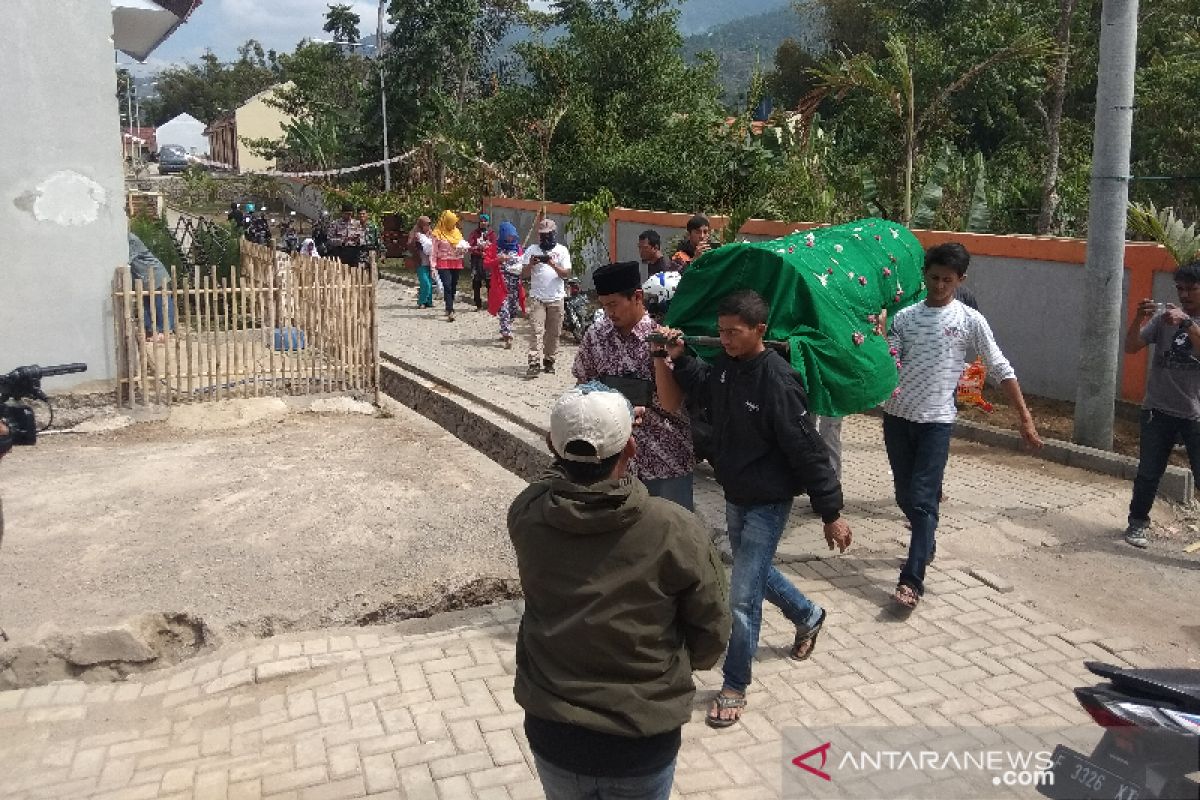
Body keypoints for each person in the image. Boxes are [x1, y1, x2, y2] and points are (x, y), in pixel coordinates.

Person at [508, 382, 730, 800]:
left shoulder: (527, 514)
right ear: (631, 449)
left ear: (551, 448)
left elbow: (548, 483)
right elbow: (712, 629)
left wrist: (575, 442)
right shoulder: (674, 528)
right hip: (642, 738)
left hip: (555, 733)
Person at [656, 289, 852, 729]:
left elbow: (807, 449)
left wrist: (831, 511)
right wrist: (681, 356)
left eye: (734, 333)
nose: (724, 339)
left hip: (769, 500)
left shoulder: (778, 381)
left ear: (760, 331)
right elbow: (705, 385)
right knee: (753, 570)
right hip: (735, 493)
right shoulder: (728, 367)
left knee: (741, 596)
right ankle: (808, 614)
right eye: (721, 331)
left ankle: (734, 685)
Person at [882, 242, 1041, 610]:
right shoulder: (904, 318)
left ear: (960, 279)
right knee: (905, 497)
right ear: (925, 276)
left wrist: (1024, 415)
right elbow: (889, 360)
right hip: (896, 417)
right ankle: (927, 539)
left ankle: (912, 581)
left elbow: (1000, 367)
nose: (939, 285)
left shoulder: (969, 321)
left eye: (947, 280)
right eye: (934, 278)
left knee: (922, 500)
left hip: (936, 422)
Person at [573, 261, 695, 510]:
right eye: (604, 305)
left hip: (665, 458)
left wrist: (658, 355)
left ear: (637, 296)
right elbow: (582, 389)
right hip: (613, 462)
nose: (609, 312)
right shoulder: (596, 337)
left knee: (669, 536)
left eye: (614, 304)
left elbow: (671, 404)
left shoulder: (663, 337)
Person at [1122, 260, 1200, 549]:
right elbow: (1131, 348)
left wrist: (1187, 322)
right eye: (1180, 289)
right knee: (1149, 471)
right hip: (1158, 408)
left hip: (1195, 414)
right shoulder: (1163, 320)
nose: (1185, 295)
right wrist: (1137, 320)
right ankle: (1137, 523)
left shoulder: (1185, 320)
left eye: (1191, 289)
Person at [521, 218, 572, 377]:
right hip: (538, 298)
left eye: (548, 234)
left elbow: (566, 274)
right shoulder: (531, 250)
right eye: (542, 235)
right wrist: (531, 264)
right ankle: (534, 362)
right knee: (536, 331)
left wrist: (551, 263)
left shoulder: (562, 250)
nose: (545, 238)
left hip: (556, 298)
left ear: (554, 234)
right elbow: (523, 274)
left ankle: (549, 360)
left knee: (553, 332)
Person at [128, 231, 176, 343]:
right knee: (148, 305)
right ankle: (152, 331)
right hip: (144, 278)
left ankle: (165, 332)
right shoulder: (124, 237)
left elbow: (126, 258)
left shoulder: (130, 239)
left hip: (155, 274)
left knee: (161, 303)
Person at [486, 221, 526, 349]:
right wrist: (498, 260)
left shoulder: (518, 248)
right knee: (503, 309)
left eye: (512, 236)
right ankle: (507, 334)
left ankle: (505, 328)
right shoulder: (494, 248)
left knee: (513, 310)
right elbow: (486, 264)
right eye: (508, 236)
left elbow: (524, 263)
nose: (510, 239)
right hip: (500, 284)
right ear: (503, 235)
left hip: (515, 285)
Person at [431, 210, 469, 321]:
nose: (453, 225)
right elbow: (433, 251)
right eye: (451, 222)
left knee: (453, 286)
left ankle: (449, 303)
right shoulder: (437, 233)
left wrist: (463, 249)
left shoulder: (457, 232)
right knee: (447, 285)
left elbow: (461, 244)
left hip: (456, 262)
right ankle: (450, 309)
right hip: (443, 262)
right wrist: (433, 266)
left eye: (454, 223)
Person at [468, 213, 494, 311]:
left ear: (488, 222)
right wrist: (479, 252)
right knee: (476, 283)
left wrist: (487, 252)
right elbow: (470, 247)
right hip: (476, 261)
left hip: (488, 262)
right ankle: (478, 304)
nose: (483, 223)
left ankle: (491, 304)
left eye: (485, 221)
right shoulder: (474, 233)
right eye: (481, 221)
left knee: (489, 283)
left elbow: (494, 247)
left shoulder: (492, 234)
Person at [408, 216, 435, 308]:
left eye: (428, 225)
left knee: (430, 283)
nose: (427, 227)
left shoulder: (431, 233)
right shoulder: (415, 233)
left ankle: (429, 301)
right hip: (420, 262)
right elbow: (410, 245)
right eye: (425, 225)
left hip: (430, 263)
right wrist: (416, 243)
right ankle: (421, 301)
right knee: (425, 283)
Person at [357, 206, 382, 271]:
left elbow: (378, 240)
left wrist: (382, 253)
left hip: (371, 254)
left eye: (363, 214)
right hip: (358, 254)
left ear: (367, 215)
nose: (362, 215)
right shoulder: (354, 226)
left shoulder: (373, 226)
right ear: (357, 215)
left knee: (372, 275)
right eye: (360, 214)